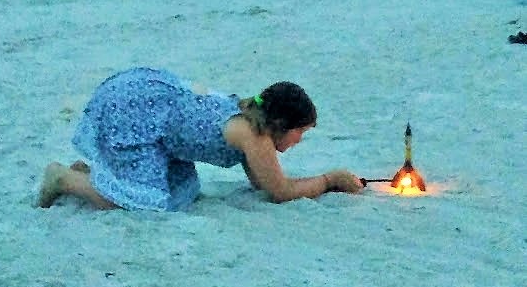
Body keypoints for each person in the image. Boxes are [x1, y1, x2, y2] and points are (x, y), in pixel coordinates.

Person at [37, 67, 363, 211]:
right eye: (300, 132)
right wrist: (329, 180)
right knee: (145, 202)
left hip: (158, 114)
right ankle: (63, 179)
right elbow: (279, 191)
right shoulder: (254, 135)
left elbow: (262, 181)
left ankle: (90, 174)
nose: (300, 139)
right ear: (280, 124)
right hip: (141, 111)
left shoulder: (252, 120)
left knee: (184, 191)